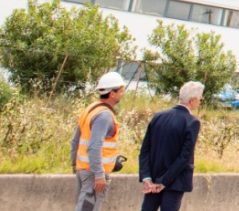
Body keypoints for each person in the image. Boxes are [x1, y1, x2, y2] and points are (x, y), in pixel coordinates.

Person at [138, 81, 204, 211]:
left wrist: (147, 177)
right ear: (192, 100)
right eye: (200, 99)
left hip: (152, 180)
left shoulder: (158, 117)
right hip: (175, 182)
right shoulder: (192, 122)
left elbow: (145, 150)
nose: (200, 102)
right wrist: (164, 181)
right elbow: (184, 157)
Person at [70, 71, 127, 211]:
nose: (123, 93)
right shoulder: (104, 116)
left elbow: (75, 141)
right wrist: (99, 175)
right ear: (112, 93)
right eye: (121, 90)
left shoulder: (90, 109)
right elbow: (94, 146)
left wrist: (75, 164)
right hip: (93, 173)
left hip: (83, 169)